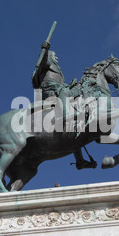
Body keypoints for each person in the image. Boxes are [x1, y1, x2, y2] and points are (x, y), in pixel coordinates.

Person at [32, 40, 97, 170]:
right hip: (51, 94)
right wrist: (45, 49)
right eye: (54, 55)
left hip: (59, 91)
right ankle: (65, 120)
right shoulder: (47, 63)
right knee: (72, 113)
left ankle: (79, 160)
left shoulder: (57, 69)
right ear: (50, 56)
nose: (57, 57)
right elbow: (42, 61)